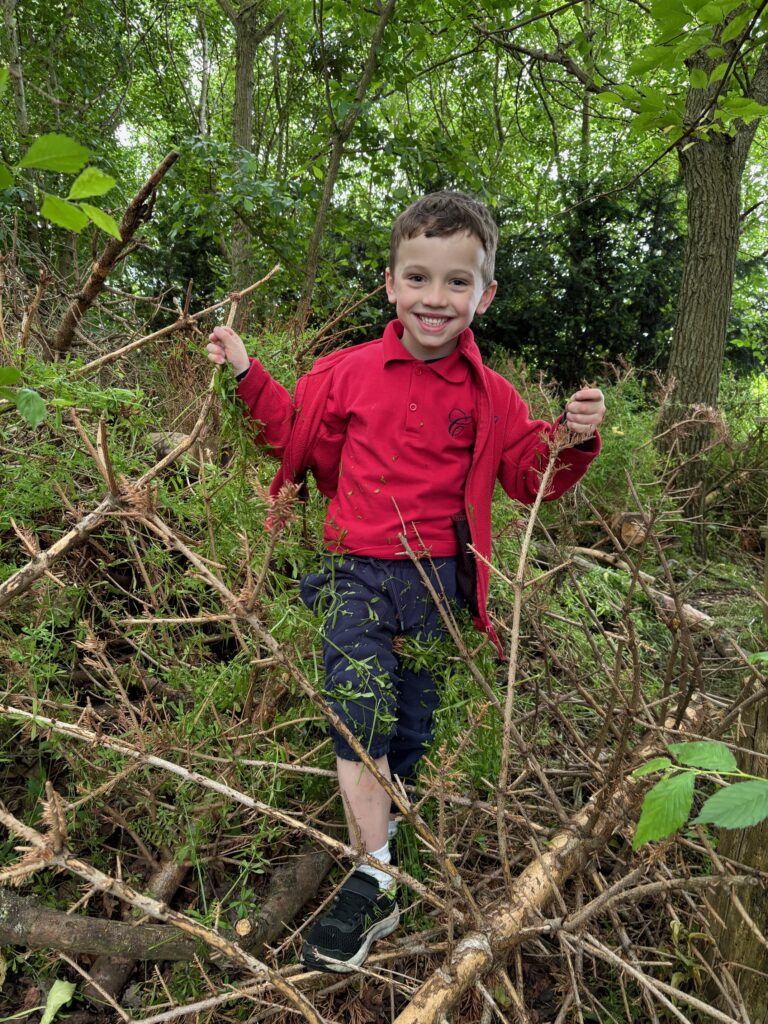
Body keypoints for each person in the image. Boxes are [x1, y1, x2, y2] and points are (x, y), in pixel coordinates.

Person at [206, 191, 605, 973]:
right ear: (391, 284)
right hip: (356, 572)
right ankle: (375, 876)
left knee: (407, 737)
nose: (435, 298)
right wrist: (250, 373)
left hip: (438, 589)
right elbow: (289, 435)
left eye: (457, 283)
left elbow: (530, 475)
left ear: (484, 295)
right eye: (418, 278)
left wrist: (572, 438)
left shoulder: (493, 398)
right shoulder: (344, 373)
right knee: (358, 711)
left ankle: (384, 842)